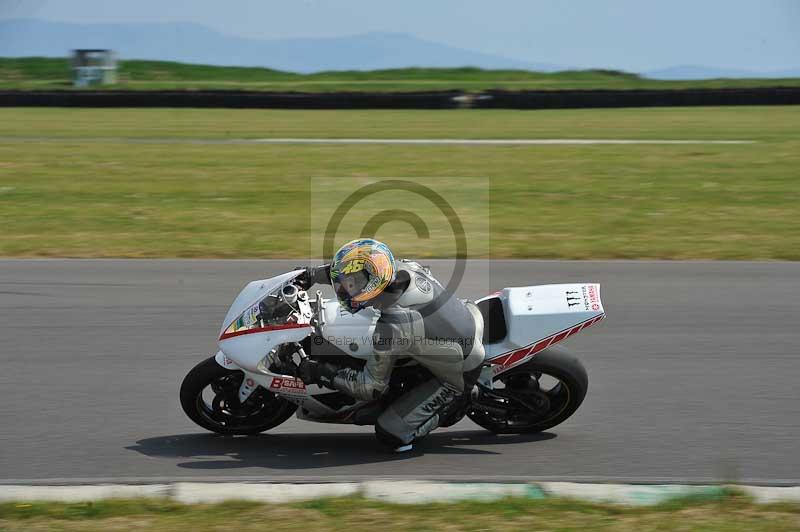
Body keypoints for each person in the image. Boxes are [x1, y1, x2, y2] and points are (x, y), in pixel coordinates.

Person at [296, 238, 485, 452]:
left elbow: (371, 388)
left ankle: (462, 400)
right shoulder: (404, 267)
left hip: (460, 373)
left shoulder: (393, 326)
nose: (346, 287)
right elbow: (352, 266)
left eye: (353, 283)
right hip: (467, 316)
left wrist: (322, 372)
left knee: (390, 432)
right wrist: (312, 275)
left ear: (373, 286)